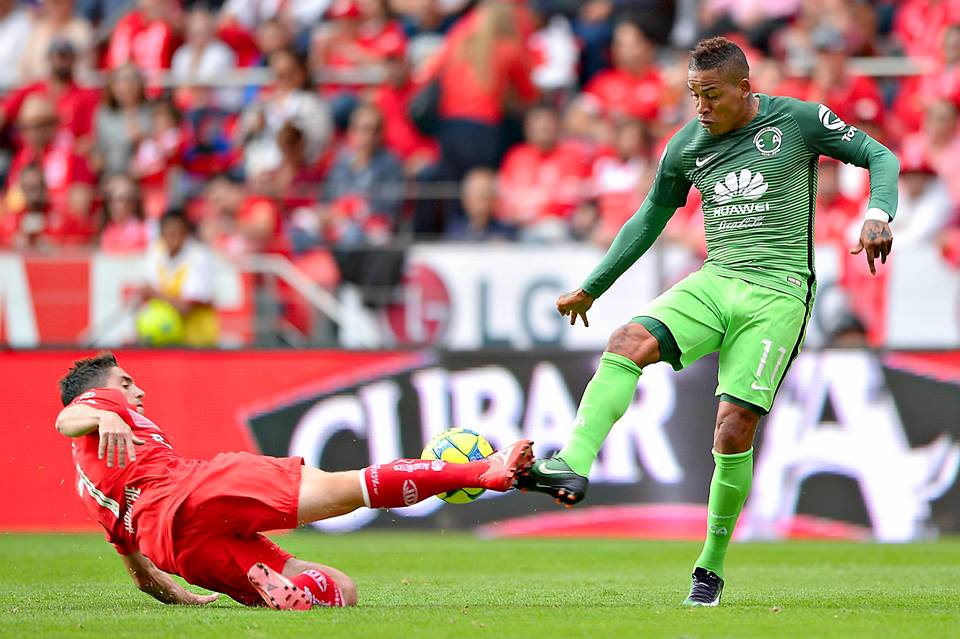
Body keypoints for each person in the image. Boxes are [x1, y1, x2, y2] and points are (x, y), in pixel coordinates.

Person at [516, 36, 899, 606]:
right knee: (627, 340)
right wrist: (592, 287)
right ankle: (572, 463)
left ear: (744, 89)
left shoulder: (794, 120)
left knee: (732, 427)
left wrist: (876, 214)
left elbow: (881, 156)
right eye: (694, 95)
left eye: (711, 95)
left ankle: (710, 568)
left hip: (779, 291)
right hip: (715, 280)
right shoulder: (687, 146)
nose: (701, 107)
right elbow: (648, 217)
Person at [55, 352, 533, 609]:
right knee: (341, 490)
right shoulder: (103, 408)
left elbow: (142, 576)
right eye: (125, 382)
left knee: (342, 590)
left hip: (175, 550)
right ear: (99, 393)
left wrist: (185, 598)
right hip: (193, 489)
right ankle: (482, 472)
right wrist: (102, 413)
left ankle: (295, 596)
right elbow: (66, 420)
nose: (136, 391)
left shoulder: (88, 487)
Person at [140, 209, 219, 347]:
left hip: (198, 342)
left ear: (185, 233)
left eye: (177, 233)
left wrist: (156, 293)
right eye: (168, 233)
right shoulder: (156, 252)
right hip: (168, 340)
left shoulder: (200, 257)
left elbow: (185, 307)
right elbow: (145, 293)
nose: (172, 238)